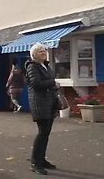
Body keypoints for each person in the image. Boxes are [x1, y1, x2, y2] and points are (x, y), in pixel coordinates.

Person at [25, 43, 59, 175]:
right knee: (42, 133)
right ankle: (35, 162)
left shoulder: (45, 66)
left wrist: (54, 86)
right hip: (40, 104)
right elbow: (35, 83)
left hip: (50, 102)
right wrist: (53, 83)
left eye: (45, 50)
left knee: (46, 133)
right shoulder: (32, 66)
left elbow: (48, 81)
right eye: (40, 51)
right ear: (34, 55)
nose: (44, 52)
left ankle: (41, 159)